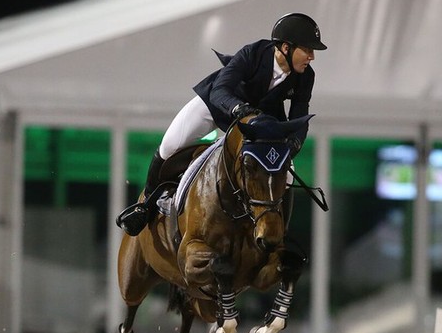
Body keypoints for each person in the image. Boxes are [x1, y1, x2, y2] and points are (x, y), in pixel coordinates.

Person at [117, 13, 327, 236]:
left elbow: (299, 115)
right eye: (308, 50)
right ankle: (146, 205)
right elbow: (220, 90)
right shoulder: (253, 53)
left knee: (286, 171)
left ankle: (280, 236)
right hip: (217, 106)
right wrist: (237, 108)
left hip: (255, 121)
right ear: (286, 47)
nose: (312, 57)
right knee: (170, 145)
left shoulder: (306, 76)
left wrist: (293, 144)